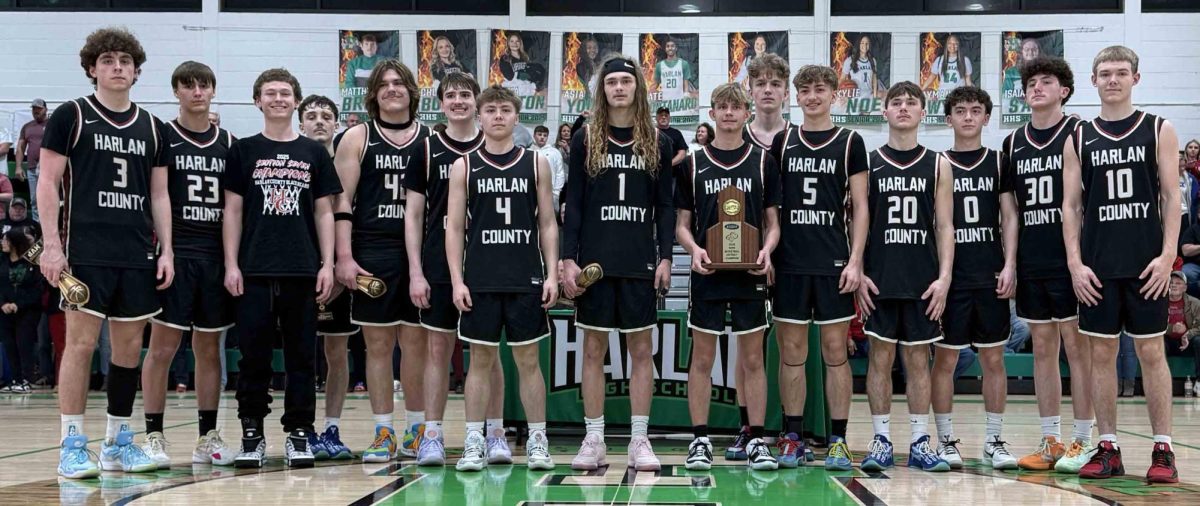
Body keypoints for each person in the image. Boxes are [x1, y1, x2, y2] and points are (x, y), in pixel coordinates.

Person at [39, 27, 172, 478]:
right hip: (85, 251)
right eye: (109, 60)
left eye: (125, 62)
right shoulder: (71, 115)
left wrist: (166, 249)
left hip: (136, 253)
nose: (118, 67)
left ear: (136, 72)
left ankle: (118, 441)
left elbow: (159, 196)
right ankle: (72, 443)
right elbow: (47, 182)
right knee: (78, 345)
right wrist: (52, 246)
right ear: (92, 68)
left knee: (129, 349)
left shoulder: (153, 126)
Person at [1062, 45, 1181, 483]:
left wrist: (1168, 256)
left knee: (1151, 351)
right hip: (1097, 267)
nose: (1113, 79)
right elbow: (1070, 207)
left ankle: (1163, 449)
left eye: (1121, 73)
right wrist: (1075, 263)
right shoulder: (1078, 135)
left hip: (1146, 263)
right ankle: (1107, 445)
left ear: (1135, 78)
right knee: (1101, 354)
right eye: (1105, 73)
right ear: (1093, 81)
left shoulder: (1158, 129)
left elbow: (1172, 197)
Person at [223, 68, 341, 469]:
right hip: (253, 269)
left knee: (301, 358)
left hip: (301, 268)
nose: (277, 98)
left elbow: (326, 211)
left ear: (295, 101)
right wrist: (231, 264)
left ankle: (298, 434)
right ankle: (252, 433)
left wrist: (328, 263)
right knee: (252, 357)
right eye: (270, 93)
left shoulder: (314, 153)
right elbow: (233, 210)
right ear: (258, 101)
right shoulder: (243, 150)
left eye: (285, 93)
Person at [561, 56, 674, 472]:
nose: (620, 88)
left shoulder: (657, 141)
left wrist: (666, 257)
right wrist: (567, 259)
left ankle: (638, 439)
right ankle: (594, 438)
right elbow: (573, 203)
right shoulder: (585, 137)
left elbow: (665, 206)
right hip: (594, 262)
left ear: (637, 88)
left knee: (641, 350)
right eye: (613, 82)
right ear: (602, 89)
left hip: (639, 261)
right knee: (593, 349)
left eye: (627, 80)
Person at [446, 85, 559, 472]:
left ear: (516, 116)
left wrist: (552, 272)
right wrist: (457, 280)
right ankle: (474, 439)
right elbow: (455, 227)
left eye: (505, 109)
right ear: (479, 116)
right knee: (480, 360)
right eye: (490, 109)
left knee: (528, 361)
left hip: (525, 275)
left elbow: (547, 221)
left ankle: (538, 439)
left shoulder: (535, 162)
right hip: (481, 277)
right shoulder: (463, 165)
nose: (497, 116)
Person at [404, 72, 508, 467]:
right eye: (451, 95)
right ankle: (431, 435)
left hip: (488, 261)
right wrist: (416, 270)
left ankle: (494, 433)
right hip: (438, 262)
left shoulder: (495, 145)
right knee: (437, 349)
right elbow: (413, 216)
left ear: (477, 103)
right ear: (441, 103)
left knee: (487, 354)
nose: (459, 101)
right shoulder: (426, 149)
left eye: (466, 94)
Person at [768, 64, 868, 470]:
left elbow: (861, 208)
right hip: (790, 262)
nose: (812, 96)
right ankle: (792, 435)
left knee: (834, 353)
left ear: (833, 94)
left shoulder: (850, 141)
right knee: (791, 353)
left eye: (820, 90)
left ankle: (839, 439)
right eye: (805, 90)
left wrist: (856, 260)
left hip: (833, 263)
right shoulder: (783, 140)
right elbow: (770, 206)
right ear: (797, 96)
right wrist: (769, 255)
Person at [677, 83, 780, 472]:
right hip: (708, 270)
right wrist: (693, 250)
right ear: (713, 112)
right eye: (722, 107)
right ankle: (700, 439)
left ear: (746, 111)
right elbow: (682, 225)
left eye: (737, 106)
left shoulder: (762, 161)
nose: (730, 113)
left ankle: (755, 439)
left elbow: (773, 223)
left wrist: (767, 251)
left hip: (750, 272)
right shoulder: (693, 162)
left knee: (753, 358)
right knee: (701, 357)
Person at [140, 61, 237, 469]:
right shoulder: (163, 137)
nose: (197, 92)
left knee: (209, 349)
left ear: (213, 91)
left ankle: (207, 436)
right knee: (162, 348)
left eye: (204, 85)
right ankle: (153, 435)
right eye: (189, 86)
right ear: (176, 91)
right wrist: (162, 250)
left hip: (215, 257)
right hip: (176, 254)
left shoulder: (230, 142)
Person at [1000, 56, 1095, 474]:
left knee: (1078, 347)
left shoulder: (1081, 133)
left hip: (1073, 258)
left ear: (1065, 90)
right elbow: (1011, 212)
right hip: (1033, 258)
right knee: (1042, 348)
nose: (1037, 88)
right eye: (1031, 83)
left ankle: (1085, 440)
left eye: (1047, 82)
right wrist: (1011, 262)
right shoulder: (1013, 142)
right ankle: (1051, 438)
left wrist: (1081, 259)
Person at [332, 59, 429, 462]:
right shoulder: (357, 136)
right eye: (384, 84)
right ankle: (383, 431)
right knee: (377, 345)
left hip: (420, 252)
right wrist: (343, 256)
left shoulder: (429, 138)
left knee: (416, 345)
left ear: (411, 91)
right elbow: (341, 201)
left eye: (399, 83)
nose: (392, 89)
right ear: (373, 93)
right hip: (372, 248)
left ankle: (418, 430)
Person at [857, 81, 953, 473]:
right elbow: (856, 220)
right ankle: (880, 440)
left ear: (922, 113)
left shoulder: (938, 163)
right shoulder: (869, 160)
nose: (902, 108)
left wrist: (945, 277)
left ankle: (918, 440)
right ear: (884, 110)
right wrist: (858, 270)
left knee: (918, 359)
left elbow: (945, 225)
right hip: (879, 276)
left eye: (911, 103)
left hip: (921, 278)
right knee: (879, 358)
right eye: (895, 102)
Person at [930, 86, 1019, 470]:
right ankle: (946, 439)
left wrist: (1011, 264)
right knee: (946, 359)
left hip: (989, 272)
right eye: (961, 111)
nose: (968, 117)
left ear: (987, 117)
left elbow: (1010, 216)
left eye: (976, 110)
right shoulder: (936, 163)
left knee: (994, 359)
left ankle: (994, 439)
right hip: (951, 277)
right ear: (948, 119)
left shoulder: (998, 162)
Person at [297, 94, 356, 462]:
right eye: (312, 116)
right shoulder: (289, 158)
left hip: (337, 273)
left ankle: (331, 427)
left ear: (337, 123)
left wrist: (337, 264)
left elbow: (346, 217)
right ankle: (300, 429)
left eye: (326, 116)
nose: (319, 121)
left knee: (337, 351)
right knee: (300, 353)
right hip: (298, 270)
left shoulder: (346, 163)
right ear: (301, 122)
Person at [0, 228, 44, 394]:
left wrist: (19, 304)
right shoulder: (1, 261)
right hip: (4, 311)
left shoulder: (31, 262)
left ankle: (26, 379)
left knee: (24, 344)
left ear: (14, 242)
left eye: (5, 240)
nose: (2, 243)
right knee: (9, 345)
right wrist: (3, 303)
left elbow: (37, 289)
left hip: (28, 311)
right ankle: (15, 380)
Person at [15, 99, 47, 222]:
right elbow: (20, 147)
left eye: (39, 108)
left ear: (45, 109)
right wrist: (18, 167)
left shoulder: (52, 124)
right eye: (34, 109)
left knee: (49, 198)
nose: (36, 111)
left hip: (49, 169)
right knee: (34, 199)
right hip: (32, 168)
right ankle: (37, 228)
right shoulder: (27, 127)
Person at [1163, 271, 1200, 378]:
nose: (1173, 285)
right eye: (1171, 282)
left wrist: (1187, 334)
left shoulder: (1195, 303)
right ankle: (1162, 380)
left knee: (1199, 341)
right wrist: (1171, 328)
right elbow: (1152, 325)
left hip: (1187, 342)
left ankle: (1199, 382)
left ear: (1185, 288)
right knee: (1158, 342)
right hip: (1168, 341)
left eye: (1178, 283)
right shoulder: (1159, 303)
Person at [531, 125, 566, 212]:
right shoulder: (528, 152)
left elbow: (560, 173)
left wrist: (556, 192)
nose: (542, 137)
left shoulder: (554, 152)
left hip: (551, 193)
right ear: (534, 135)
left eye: (545, 135)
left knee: (550, 221)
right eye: (539, 134)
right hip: (532, 193)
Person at [841, 35, 883, 99]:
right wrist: (843, 95)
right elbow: (842, 79)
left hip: (869, 97)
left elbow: (874, 79)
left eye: (867, 43)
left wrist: (874, 96)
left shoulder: (872, 60)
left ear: (869, 45)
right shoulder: (850, 60)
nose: (865, 45)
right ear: (858, 44)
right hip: (855, 98)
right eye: (862, 43)